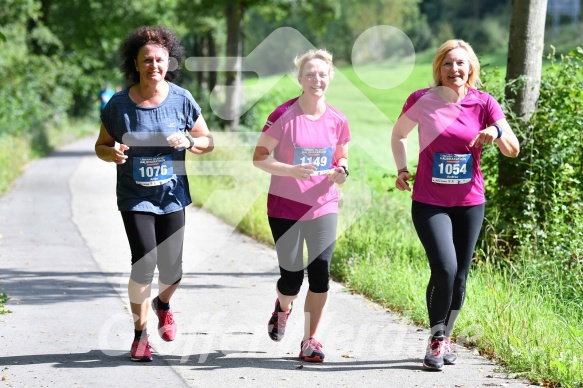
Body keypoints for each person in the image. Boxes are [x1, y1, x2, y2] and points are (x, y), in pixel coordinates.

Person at [391, 39, 520, 371]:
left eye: (461, 63)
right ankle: (435, 339)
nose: (454, 69)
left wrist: (494, 130)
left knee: (460, 275)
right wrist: (402, 169)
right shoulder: (422, 100)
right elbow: (399, 134)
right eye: (447, 64)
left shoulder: (484, 103)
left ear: (471, 68)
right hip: (429, 201)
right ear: (439, 68)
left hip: (469, 202)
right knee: (444, 269)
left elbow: (513, 150)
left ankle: (447, 336)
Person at [94, 26, 214, 362]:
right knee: (144, 263)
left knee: (172, 269)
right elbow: (101, 145)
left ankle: (163, 304)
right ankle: (140, 335)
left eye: (159, 59)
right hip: (135, 197)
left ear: (169, 61)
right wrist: (112, 152)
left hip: (172, 196)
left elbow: (208, 141)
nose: (154, 65)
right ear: (135, 63)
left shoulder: (182, 99)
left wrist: (190, 141)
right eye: (146, 59)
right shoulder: (119, 105)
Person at [253, 49, 350, 363]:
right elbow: (260, 158)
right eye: (310, 74)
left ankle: (311, 341)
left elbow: (341, 157)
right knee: (292, 279)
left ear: (330, 77)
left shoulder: (337, 120)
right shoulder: (283, 115)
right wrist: (290, 170)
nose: (316, 80)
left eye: (322, 74)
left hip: (323, 205)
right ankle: (283, 308)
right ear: (300, 79)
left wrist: (342, 171)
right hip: (285, 207)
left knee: (320, 274)